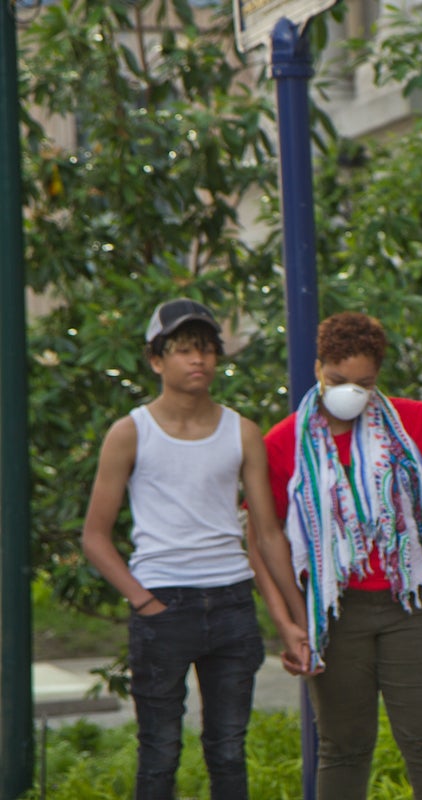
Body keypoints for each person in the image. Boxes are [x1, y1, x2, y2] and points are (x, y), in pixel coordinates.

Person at [252, 311, 422, 800]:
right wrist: (287, 620)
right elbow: (263, 543)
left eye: (364, 383)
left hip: (415, 604)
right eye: (338, 379)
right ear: (318, 368)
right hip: (336, 610)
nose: (351, 391)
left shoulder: (407, 422)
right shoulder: (284, 443)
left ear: (378, 379)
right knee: (343, 749)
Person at [81, 298, 311, 800]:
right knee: (159, 751)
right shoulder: (130, 432)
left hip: (231, 603)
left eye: (206, 349)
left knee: (228, 748)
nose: (198, 360)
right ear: (156, 359)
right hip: (163, 606)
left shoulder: (242, 431)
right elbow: (95, 535)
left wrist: (296, 620)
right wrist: (143, 601)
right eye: (184, 349)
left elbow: (268, 535)